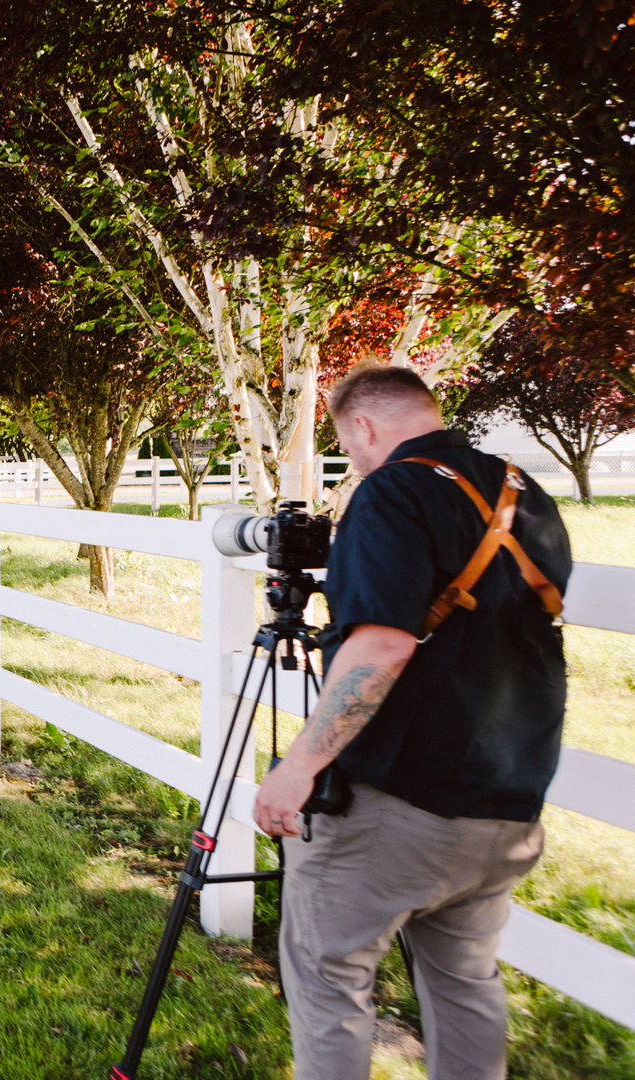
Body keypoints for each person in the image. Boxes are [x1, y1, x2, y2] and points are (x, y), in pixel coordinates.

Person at [254, 364, 571, 1080]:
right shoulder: (527, 491)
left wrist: (297, 767)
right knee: (465, 984)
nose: (355, 459)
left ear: (362, 426)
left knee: (327, 976)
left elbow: (383, 643)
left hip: (399, 800)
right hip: (507, 797)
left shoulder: (393, 489)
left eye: (348, 444)